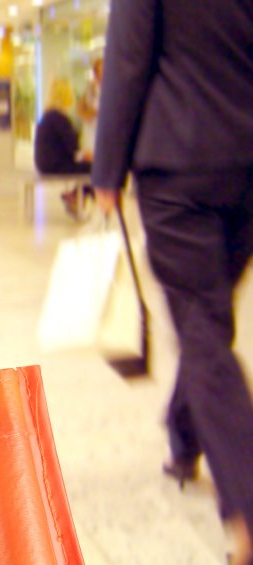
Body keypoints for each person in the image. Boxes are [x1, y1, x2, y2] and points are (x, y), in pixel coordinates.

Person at [92, 1, 253, 562]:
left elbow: (129, 56)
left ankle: (247, 511)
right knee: (206, 318)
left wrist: (107, 170)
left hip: (177, 163)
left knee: (203, 329)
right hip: (244, 169)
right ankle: (185, 439)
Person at [34, 76, 92, 217]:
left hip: (44, 163)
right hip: (55, 165)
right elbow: (73, 148)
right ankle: (76, 197)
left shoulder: (48, 116)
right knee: (96, 167)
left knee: (91, 164)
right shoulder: (60, 118)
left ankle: (75, 196)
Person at [76, 57, 103, 156]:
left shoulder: (113, 88)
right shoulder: (90, 88)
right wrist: (88, 114)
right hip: (91, 130)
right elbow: (80, 109)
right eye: (100, 70)